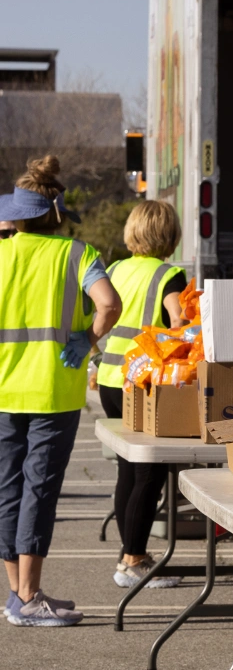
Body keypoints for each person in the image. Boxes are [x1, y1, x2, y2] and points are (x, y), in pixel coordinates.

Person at [0, 155, 122, 627]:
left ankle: (18, 592)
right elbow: (108, 305)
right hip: (52, 392)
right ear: (55, 212)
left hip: (4, 391)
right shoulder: (77, 254)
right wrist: (88, 338)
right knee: (39, 491)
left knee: (8, 490)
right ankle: (29, 597)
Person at [96, 200, 188, 589]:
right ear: (169, 234)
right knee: (149, 474)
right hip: (143, 383)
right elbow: (180, 321)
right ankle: (133, 560)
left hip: (109, 378)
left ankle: (128, 553)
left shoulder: (115, 269)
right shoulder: (170, 274)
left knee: (126, 469)